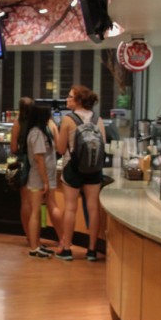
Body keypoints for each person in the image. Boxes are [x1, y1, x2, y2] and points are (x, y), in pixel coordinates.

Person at [55, 85, 106, 261]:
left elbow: (61, 149)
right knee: (93, 208)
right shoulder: (98, 120)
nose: (67, 99)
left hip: (73, 168)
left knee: (70, 207)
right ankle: (92, 250)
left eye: (70, 97)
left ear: (78, 101)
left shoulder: (68, 120)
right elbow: (103, 144)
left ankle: (67, 248)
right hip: (93, 169)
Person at [24, 104, 68, 258]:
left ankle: (35, 245)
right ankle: (41, 244)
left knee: (35, 211)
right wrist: (46, 180)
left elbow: (38, 158)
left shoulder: (37, 132)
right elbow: (41, 157)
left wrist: (45, 181)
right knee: (48, 206)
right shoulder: (43, 131)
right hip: (44, 175)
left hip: (39, 176)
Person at [10, 97, 34, 244]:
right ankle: (36, 233)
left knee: (25, 201)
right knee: (35, 202)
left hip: (24, 163)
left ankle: (29, 235)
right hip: (37, 163)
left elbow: (13, 148)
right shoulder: (38, 123)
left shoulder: (18, 123)